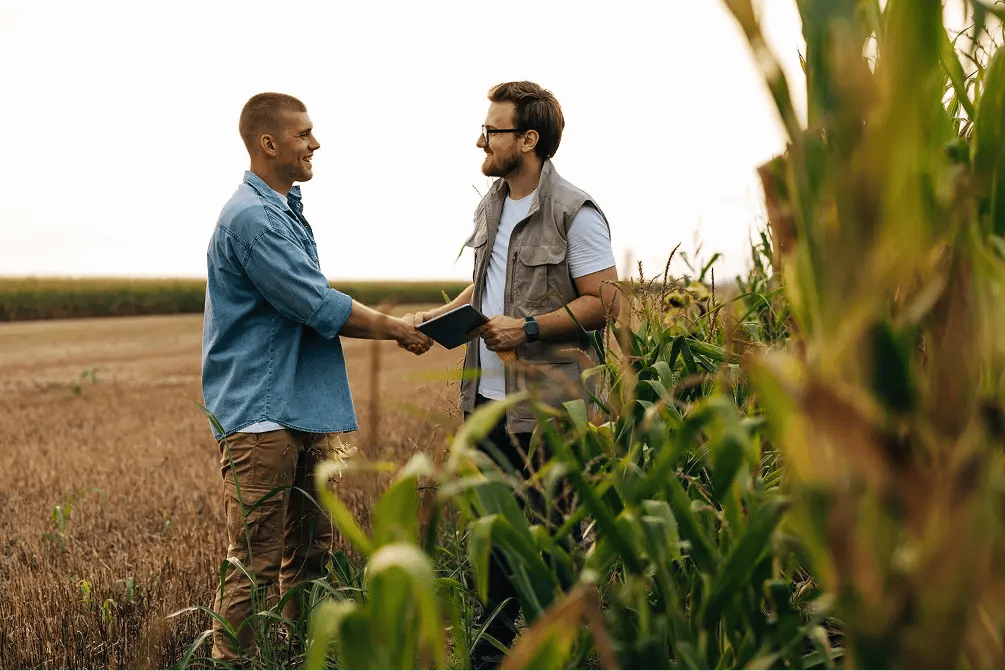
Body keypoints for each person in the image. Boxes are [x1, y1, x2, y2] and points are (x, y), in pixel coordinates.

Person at [201, 92, 431, 663]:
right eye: (303, 134)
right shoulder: (252, 220)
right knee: (254, 563)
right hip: (262, 415)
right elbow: (315, 304)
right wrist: (396, 329)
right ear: (268, 143)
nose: (315, 143)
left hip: (300, 406)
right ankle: (234, 663)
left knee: (311, 553)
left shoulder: (282, 208)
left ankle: (300, 654)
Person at [412, 81, 619, 666]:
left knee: (554, 548)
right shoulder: (491, 204)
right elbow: (484, 288)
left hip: (549, 410)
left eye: (491, 130)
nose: (480, 140)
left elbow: (605, 303)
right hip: (485, 407)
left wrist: (527, 329)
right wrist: (435, 320)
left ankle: (564, 653)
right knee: (493, 546)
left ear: (528, 139)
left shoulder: (575, 212)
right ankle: (491, 658)